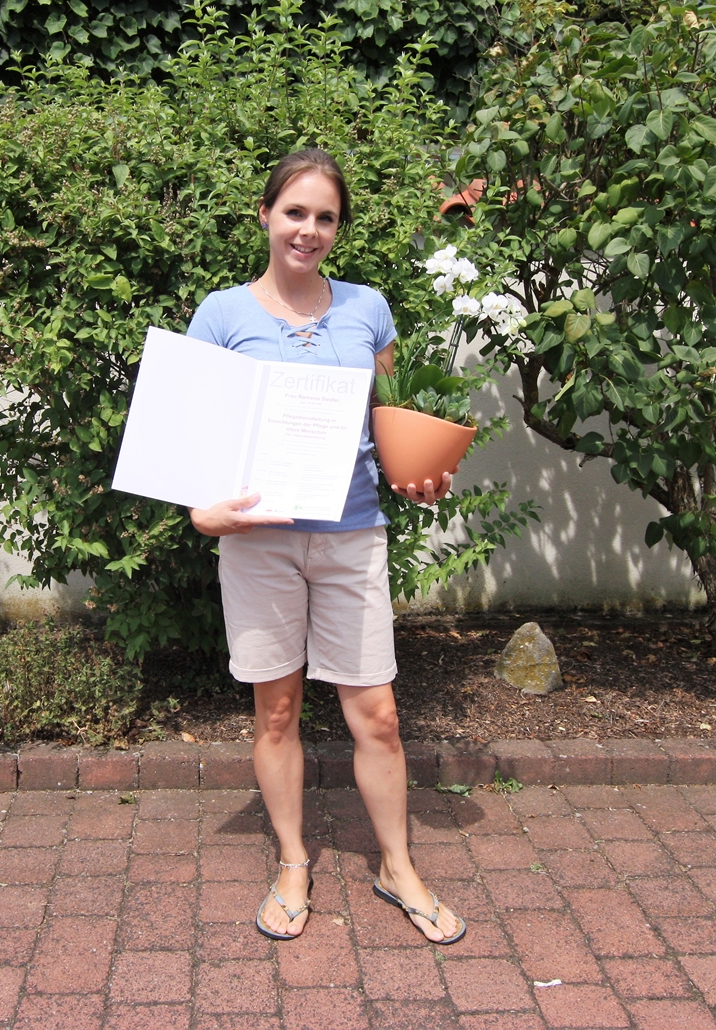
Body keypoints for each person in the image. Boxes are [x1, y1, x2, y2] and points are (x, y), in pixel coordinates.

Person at [186, 148, 465, 945]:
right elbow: (194, 434)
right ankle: (291, 862)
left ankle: (396, 865)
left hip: (352, 533)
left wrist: (418, 476)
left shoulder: (368, 308)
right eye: (295, 212)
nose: (308, 229)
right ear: (265, 216)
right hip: (259, 543)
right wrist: (203, 514)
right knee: (275, 712)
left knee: (377, 713)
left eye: (325, 217)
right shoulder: (220, 316)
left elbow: (387, 419)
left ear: (338, 228)